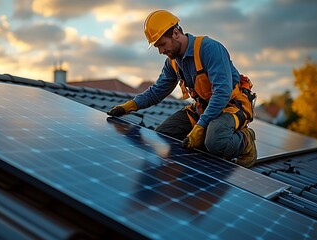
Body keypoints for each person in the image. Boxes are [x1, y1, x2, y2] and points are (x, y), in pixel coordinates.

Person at [107, 10, 257, 167]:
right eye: (157, 47)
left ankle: (246, 141)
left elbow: (222, 93)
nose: (161, 51)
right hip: (203, 108)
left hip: (231, 106)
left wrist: (201, 125)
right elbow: (157, 91)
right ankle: (206, 143)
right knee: (163, 135)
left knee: (214, 141)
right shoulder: (173, 62)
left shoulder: (210, 49)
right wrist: (130, 106)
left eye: (162, 44)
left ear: (176, 33)